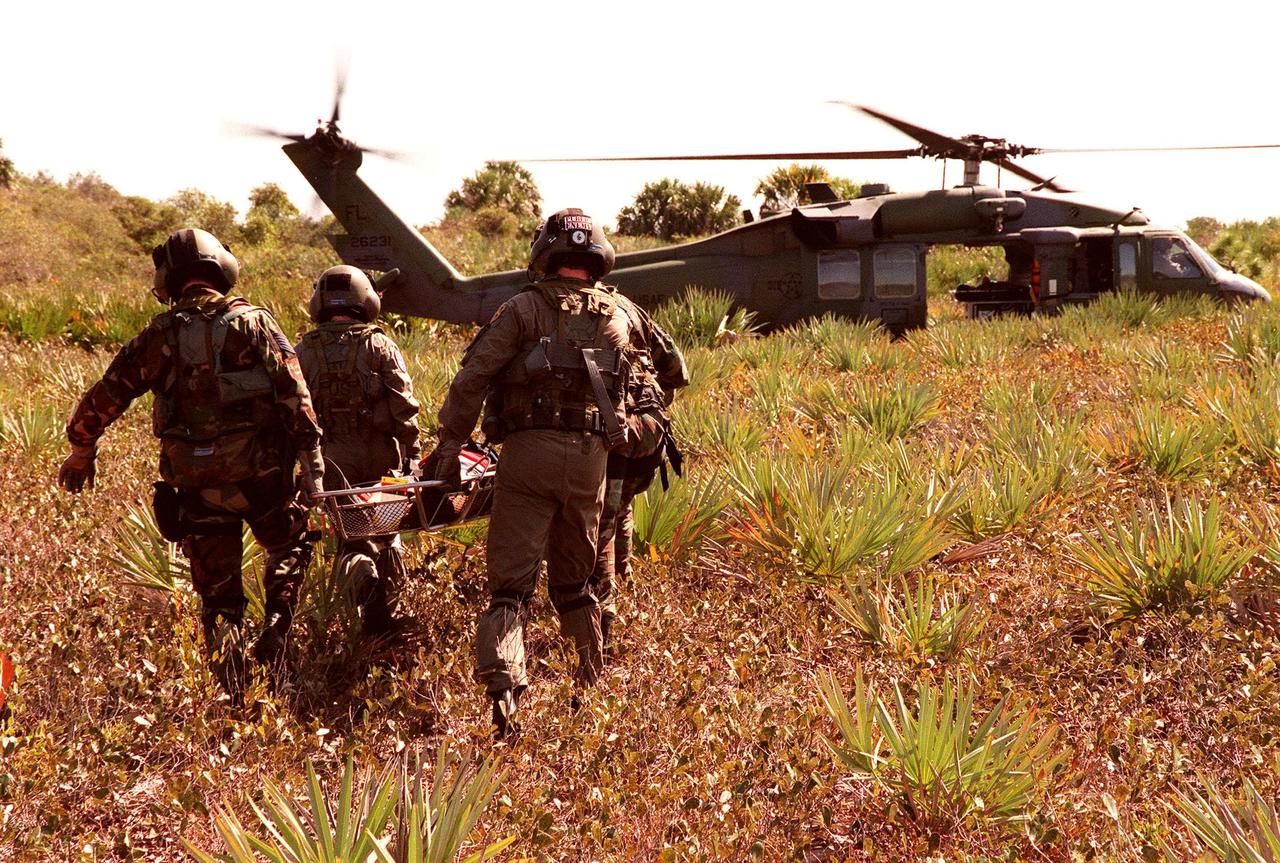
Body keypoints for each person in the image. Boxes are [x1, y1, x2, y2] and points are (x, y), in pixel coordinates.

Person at [57, 228, 324, 699]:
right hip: (263, 477)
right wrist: (313, 467)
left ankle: (234, 691)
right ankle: (277, 627)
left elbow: (108, 393)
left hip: (198, 485)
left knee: (218, 596)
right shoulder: (255, 323)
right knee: (290, 545)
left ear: (170, 278)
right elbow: (295, 396)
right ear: (221, 268)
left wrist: (82, 449)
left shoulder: (159, 334)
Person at [425, 208, 636, 737]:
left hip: (528, 455)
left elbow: (474, 376)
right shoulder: (620, 314)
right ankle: (591, 688)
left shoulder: (522, 308)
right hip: (590, 460)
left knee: (511, 588)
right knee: (575, 583)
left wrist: (449, 446)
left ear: (545, 253)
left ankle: (504, 693)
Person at [295, 265, 421, 639]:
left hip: (331, 463)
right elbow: (405, 407)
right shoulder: (381, 345)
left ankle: (363, 581)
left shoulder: (304, 350)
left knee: (350, 538)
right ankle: (387, 612)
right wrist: (413, 457)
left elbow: (292, 412)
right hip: (383, 459)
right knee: (387, 532)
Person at [589, 293, 687, 653]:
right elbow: (677, 369)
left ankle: (605, 612)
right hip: (649, 428)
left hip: (616, 430)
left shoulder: (574, 309)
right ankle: (625, 581)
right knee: (621, 506)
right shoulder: (629, 308)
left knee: (603, 519)